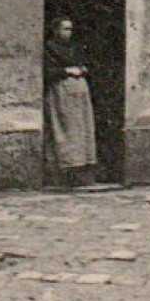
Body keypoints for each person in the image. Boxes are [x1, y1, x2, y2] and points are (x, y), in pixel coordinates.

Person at [43, 17, 97, 187]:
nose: (69, 33)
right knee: (65, 130)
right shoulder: (49, 49)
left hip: (79, 94)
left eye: (70, 29)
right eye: (65, 29)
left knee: (82, 130)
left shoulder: (74, 48)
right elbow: (48, 71)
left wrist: (82, 69)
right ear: (56, 30)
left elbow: (86, 63)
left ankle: (81, 171)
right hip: (62, 93)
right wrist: (66, 71)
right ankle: (65, 172)